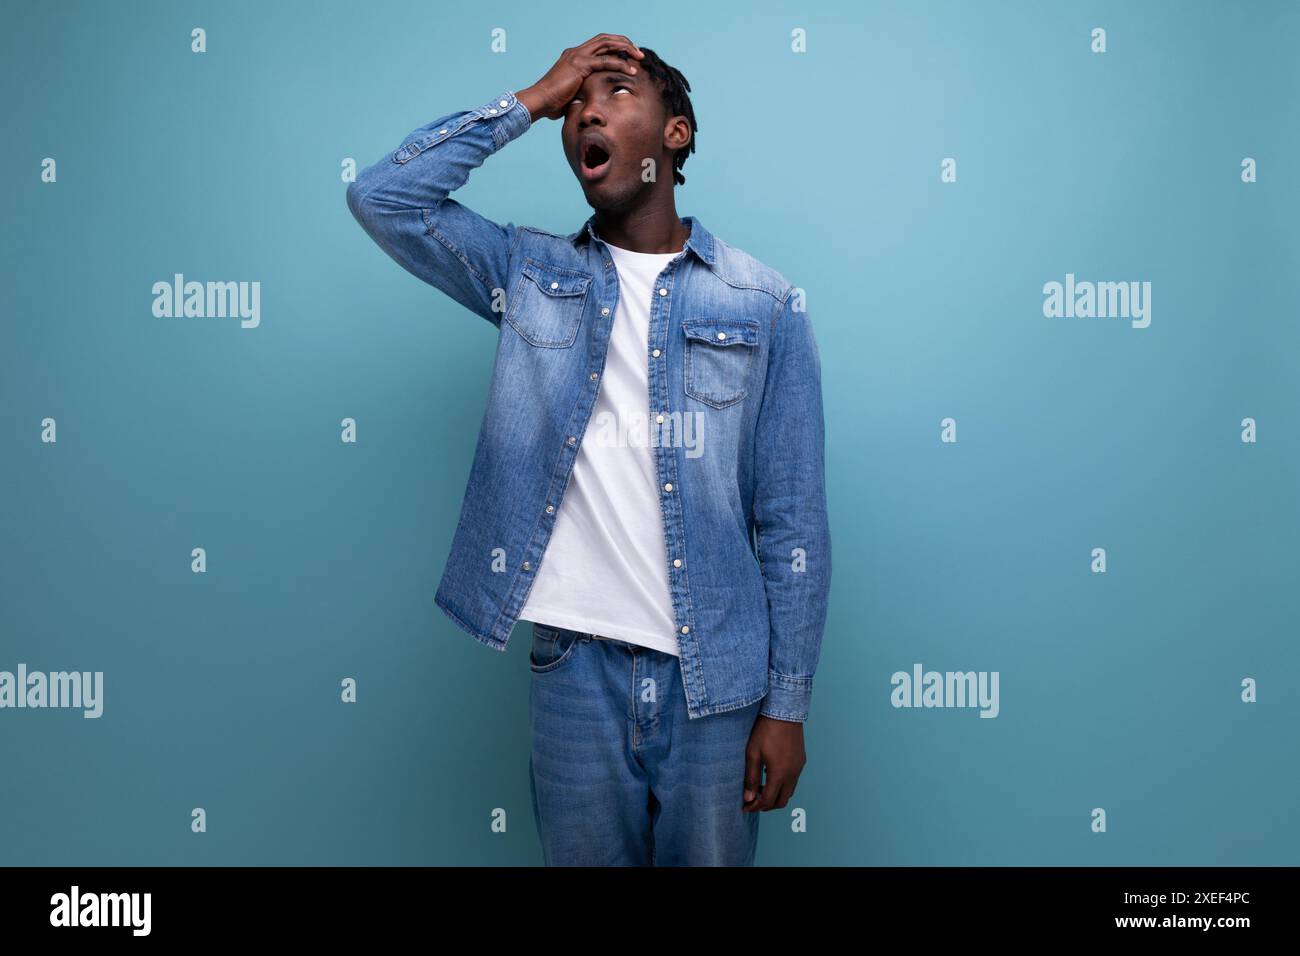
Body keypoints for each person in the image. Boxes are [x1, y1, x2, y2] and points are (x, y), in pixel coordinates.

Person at [346, 33, 831, 866]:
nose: (586, 113)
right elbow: (384, 198)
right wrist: (530, 99)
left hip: (714, 681)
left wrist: (786, 708)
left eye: (612, 93)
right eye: (576, 106)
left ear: (674, 135)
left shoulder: (765, 304)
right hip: (572, 670)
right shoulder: (530, 273)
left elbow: (792, 525)